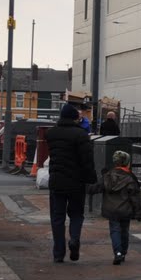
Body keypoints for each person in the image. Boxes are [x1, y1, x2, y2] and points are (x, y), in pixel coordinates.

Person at [44, 105, 97, 262]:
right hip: (76, 182)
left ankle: (58, 253)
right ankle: (74, 240)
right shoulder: (81, 135)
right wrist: (91, 179)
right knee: (76, 215)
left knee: (57, 217)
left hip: (56, 181)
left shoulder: (51, 134)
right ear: (75, 118)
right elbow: (87, 160)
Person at [91, 149, 141, 265]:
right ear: (127, 162)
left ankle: (117, 252)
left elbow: (96, 188)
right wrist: (138, 212)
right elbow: (135, 197)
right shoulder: (130, 178)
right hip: (125, 210)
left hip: (111, 209)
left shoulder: (108, 175)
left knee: (114, 230)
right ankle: (123, 252)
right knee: (124, 231)